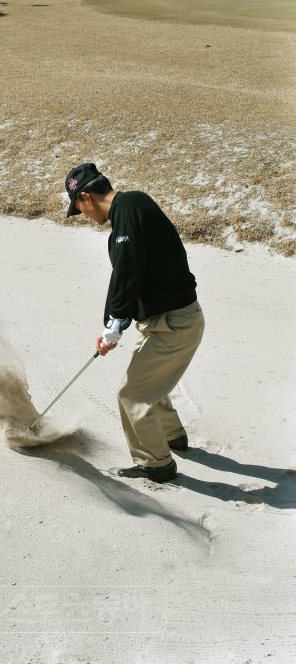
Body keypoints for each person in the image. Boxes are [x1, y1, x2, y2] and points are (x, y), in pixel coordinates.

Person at [65, 162, 205, 482]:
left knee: (131, 394)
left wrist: (115, 326)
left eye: (79, 208)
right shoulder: (129, 214)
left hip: (174, 324)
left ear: (86, 196)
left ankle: (156, 464)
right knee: (151, 383)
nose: (84, 215)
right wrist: (111, 324)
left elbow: (128, 271)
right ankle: (173, 437)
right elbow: (124, 277)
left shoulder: (128, 206)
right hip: (168, 322)